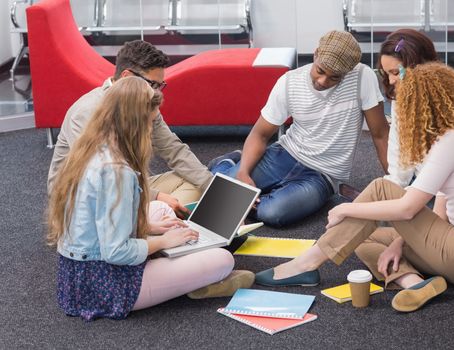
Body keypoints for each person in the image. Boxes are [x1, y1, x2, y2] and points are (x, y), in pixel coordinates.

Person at [255, 63, 454, 313]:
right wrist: (399, 243)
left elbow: (408, 208)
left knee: (381, 190)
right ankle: (413, 283)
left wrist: (346, 209)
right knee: (364, 237)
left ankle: (307, 262)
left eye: (408, 103)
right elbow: (441, 212)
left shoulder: (452, 141)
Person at [47, 77, 254, 322]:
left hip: (77, 277)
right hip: (105, 286)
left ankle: (182, 267)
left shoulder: (91, 147)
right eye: (150, 122)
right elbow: (115, 252)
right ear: (136, 124)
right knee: (223, 259)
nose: (151, 130)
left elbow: (99, 220)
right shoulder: (118, 172)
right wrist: (163, 241)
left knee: (160, 211)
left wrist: (150, 229)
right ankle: (193, 280)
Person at [209, 30, 389, 227]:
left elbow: (380, 135)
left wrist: (395, 184)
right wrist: (243, 172)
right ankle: (229, 164)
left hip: (322, 175)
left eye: (334, 77)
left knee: (273, 213)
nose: (323, 81)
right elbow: (260, 134)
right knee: (222, 201)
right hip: (283, 154)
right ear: (315, 54)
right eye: (320, 71)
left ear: (348, 71)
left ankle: (230, 176)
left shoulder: (363, 78)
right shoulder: (289, 82)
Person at [48, 40, 212, 218]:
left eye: (160, 85)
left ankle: (155, 222)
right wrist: (157, 196)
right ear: (126, 76)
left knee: (193, 182)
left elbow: (174, 149)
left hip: (126, 184)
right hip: (84, 198)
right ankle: (154, 223)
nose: (158, 93)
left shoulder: (146, 103)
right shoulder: (88, 111)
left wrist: (217, 188)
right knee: (159, 204)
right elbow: (101, 177)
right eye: (153, 84)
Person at [378, 29, 439, 187]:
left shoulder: (446, 105)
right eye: (387, 74)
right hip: (420, 185)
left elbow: (446, 185)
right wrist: (391, 188)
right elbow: (399, 159)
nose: (391, 81)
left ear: (418, 66)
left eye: (396, 73)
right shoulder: (401, 98)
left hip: (449, 194)